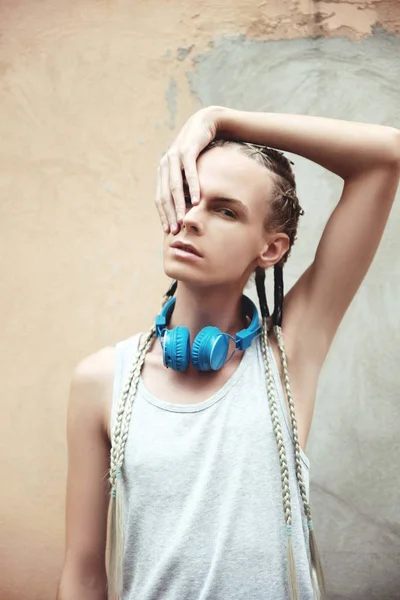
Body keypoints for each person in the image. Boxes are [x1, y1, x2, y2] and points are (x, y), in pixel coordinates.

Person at [57, 106, 400, 600]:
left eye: (225, 210)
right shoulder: (100, 380)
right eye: (190, 198)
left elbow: (385, 155)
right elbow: (84, 571)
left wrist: (217, 119)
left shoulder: (289, 354)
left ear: (272, 249)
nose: (192, 219)